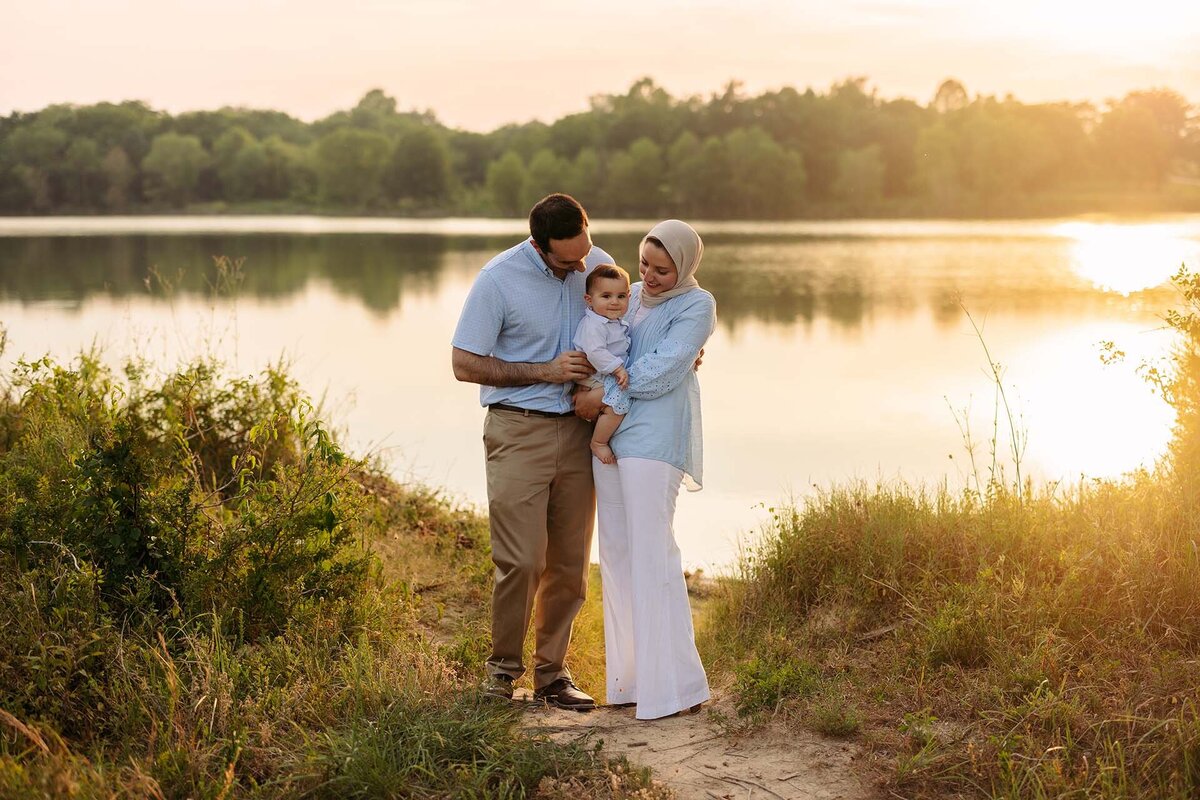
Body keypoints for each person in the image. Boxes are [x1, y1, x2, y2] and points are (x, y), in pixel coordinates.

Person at [450, 193, 613, 711]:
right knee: (521, 560)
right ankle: (501, 675)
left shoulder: (599, 263)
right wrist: (544, 371)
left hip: (580, 432)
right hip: (517, 430)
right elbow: (463, 363)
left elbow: (635, 326)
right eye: (568, 260)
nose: (581, 265)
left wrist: (681, 353)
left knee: (569, 562)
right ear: (538, 246)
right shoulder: (498, 279)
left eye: (584, 252)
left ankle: (552, 676)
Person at [587, 219, 716, 720]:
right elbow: (601, 339)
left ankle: (675, 689)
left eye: (663, 269)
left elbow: (665, 368)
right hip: (610, 437)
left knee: (652, 553)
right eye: (644, 263)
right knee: (617, 554)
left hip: (654, 437)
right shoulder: (629, 293)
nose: (650, 276)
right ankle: (630, 683)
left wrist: (603, 397)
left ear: (684, 267)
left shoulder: (697, 305)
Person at [572, 264, 632, 464]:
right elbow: (595, 352)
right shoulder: (594, 324)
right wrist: (618, 368)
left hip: (604, 374)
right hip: (593, 377)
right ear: (589, 300)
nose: (614, 302)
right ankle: (598, 442)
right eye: (606, 296)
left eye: (621, 296)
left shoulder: (614, 322)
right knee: (616, 406)